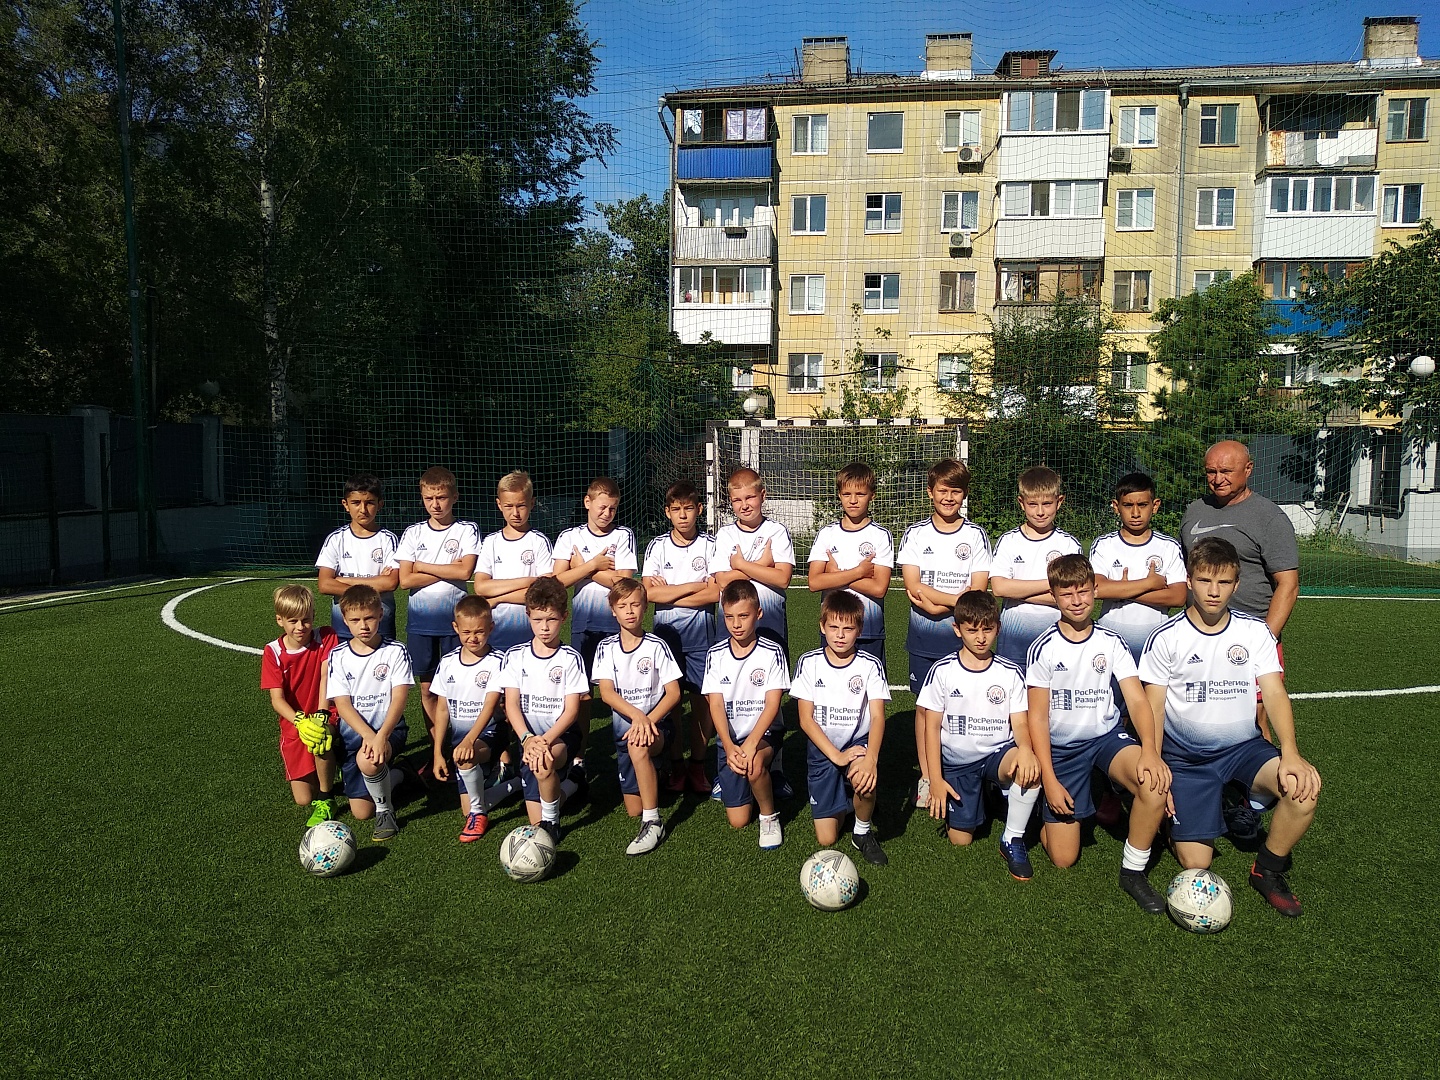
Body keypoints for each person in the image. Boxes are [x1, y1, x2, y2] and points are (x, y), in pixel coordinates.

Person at [1139, 537, 1321, 917]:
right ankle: (1176, 821)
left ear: (1236, 585)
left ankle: (1267, 870)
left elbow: (1274, 692)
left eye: (1223, 582)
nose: (1213, 591)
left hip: (1243, 749)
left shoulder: (1255, 633)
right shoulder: (1166, 637)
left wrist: (1290, 752)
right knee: (1197, 862)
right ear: (1190, 580)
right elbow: (1153, 707)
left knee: (1302, 789)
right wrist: (1155, 760)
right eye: (1205, 580)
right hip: (1187, 759)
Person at [1025, 555, 1171, 913]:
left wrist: (1150, 751)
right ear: (1054, 596)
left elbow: (1137, 701)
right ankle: (1043, 809)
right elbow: (1037, 718)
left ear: (1095, 591)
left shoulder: (1112, 642)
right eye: (1066, 594)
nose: (1077, 601)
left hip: (1106, 739)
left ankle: (1133, 872)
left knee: (1153, 782)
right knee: (1063, 859)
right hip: (1062, 748)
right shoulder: (1043, 647)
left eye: (1083, 592)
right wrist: (1049, 780)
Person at [1180, 440, 1300, 839]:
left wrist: (1263, 639)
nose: (1217, 479)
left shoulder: (1268, 517)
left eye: (1226, 471)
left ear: (1248, 470)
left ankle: (1250, 803)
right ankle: (1202, 786)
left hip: (1248, 640)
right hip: (1199, 636)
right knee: (1200, 710)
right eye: (1211, 471)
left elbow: (1287, 584)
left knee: (1255, 716)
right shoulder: (1195, 511)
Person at [918, 590, 1041, 881]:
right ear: (957, 629)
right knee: (960, 840)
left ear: (998, 628)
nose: (981, 638)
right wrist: (934, 779)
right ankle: (991, 795)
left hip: (998, 754)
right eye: (972, 630)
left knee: (1029, 768)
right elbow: (930, 728)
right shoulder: (943, 671)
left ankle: (1012, 838)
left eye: (987, 629)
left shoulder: (1010, 672)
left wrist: (1026, 750)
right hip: (958, 762)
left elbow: (1020, 722)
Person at [898, 457, 991, 812]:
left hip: (964, 639)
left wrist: (939, 603)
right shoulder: (916, 534)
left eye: (956, 491)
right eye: (943, 490)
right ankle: (926, 777)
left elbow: (978, 592)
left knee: (965, 704)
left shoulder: (976, 535)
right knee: (925, 709)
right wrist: (956, 601)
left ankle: (963, 771)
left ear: (964, 495)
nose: (949, 498)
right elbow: (913, 586)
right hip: (925, 638)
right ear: (930, 492)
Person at [712, 466, 796, 799]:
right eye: (737, 500)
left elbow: (783, 578)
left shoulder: (777, 531)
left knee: (771, 695)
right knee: (730, 693)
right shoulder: (725, 535)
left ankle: (776, 770)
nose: (744, 505)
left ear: (763, 496)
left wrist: (742, 565)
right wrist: (763, 565)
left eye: (750, 497)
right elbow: (721, 580)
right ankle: (725, 767)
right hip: (733, 627)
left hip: (770, 623)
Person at [792, 590, 891, 865]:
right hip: (824, 749)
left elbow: (878, 717)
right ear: (822, 626)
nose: (840, 635)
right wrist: (836, 756)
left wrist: (871, 759)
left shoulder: (870, 665)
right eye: (834, 627)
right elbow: (805, 720)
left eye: (848, 629)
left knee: (865, 778)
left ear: (859, 629)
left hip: (857, 745)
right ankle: (851, 800)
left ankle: (862, 831)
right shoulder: (809, 662)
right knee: (826, 838)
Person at [592, 579, 683, 856]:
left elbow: (674, 694)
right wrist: (637, 717)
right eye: (622, 606)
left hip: (657, 728)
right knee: (633, 808)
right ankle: (656, 772)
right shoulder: (606, 647)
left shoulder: (657, 646)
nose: (629, 611)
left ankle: (653, 822)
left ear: (645, 607)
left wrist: (648, 721)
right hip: (628, 730)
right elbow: (606, 693)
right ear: (613, 610)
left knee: (638, 745)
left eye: (635, 604)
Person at [641, 480, 719, 796]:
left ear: (699, 509)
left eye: (688, 508)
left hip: (702, 636)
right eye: (676, 510)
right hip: (666, 637)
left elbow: (715, 593)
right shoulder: (657, 546)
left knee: (702, 700)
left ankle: (698, 765)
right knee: (670, 700)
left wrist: (670, 593)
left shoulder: (711, 545)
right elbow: (648, 593)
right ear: (667, 512)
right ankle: (675, 764)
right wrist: (695, 586)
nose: (683, 515)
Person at [498, 578, 590, 845]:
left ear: (564, 617)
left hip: (560, 738)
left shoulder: (570, 658)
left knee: (543, 762)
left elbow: (572, 711)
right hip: (528, 739)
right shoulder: (515, 656)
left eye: (551, 619)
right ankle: (573, 783)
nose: (545, 627)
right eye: (538, 620)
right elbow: (511, 704)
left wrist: (544, 741)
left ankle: (552, 824)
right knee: (535, 815)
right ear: (528, 615)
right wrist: (527, 739)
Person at [320, 585, 413, 841]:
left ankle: (386, 812)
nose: (363, 626)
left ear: (381, 614)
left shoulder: (395, 651)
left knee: (369, 759)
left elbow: (399, 699)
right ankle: (401, 774)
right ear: (344, 620)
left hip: (389, 730)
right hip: (355, 736)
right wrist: (369, 736)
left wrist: (381, 736)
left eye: (369, 618)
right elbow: (342, 704)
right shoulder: (337, 655)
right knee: (361, 812)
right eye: (355, 620)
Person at [392, 466, 480, 739]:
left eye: (441, 497)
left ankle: (463, 741)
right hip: (421, 623)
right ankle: (437, 746)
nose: (435, 504)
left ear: (454, 497)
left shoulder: (466, 530)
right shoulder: (413, 533)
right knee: (427, 688)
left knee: (460, 686)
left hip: (457, 623)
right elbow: (405, 580)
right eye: (429, 498)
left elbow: (465, 572)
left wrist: (422, 566)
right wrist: (447, 569)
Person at [702, 580, 790, 849]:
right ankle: (746, 781)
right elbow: (715, 705)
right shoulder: (715, 654)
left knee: (754, 764)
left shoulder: (772, 652)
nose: (736, 624)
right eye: (729, 617)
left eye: (743, 615)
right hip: (731, 741)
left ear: (758, 614)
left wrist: (751, 744)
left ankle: (768, 816)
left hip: (763, 735)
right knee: (738, 820)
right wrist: (729, 746)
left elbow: (773, 704)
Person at [259, 584, 342, 827]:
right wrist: (300, 721)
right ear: (280, 620)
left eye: (306, 620)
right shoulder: (273, 652)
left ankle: (327, 798)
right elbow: (277, 700)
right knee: (303, 799)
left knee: (319, 737)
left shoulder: (325, 636)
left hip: (326, 713)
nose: (300, 627)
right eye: (293, 621)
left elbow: (326, 676)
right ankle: (333, 764)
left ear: (313, 616)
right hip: (295, 723)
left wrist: (322, 713)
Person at [430, 596, 508, 842]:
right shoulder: (448, 662)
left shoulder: (498, 661)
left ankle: (478, 815)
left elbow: (490, 706)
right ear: (456, 628)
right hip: (460, 740)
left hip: (490, 734)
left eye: (479, 632)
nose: (473, 638)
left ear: (491, 628)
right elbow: (442, 709)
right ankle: (513, 783)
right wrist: (437, 753)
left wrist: (469, 740)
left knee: (465, 759)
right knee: (466, 801)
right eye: (466, 632)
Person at [1090, 472, 1189, 662]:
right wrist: (1149, 583)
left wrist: (1120, 590)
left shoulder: (1169, 546)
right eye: (1128, 505)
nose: (1135, 513)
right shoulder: (1103, 544)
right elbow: (1097, 589)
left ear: (1155, 506)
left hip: (1155, 643)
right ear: (1116, 506)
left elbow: (1178, 597)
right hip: (1111, 641)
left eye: (1142, 505)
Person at [990, 466, 1082, 668]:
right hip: (1013, 639)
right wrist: (1052, 584)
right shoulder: (1009, 541)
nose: (1040, 512)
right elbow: (999, 588)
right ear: (1021, 503)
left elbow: (1071, 596)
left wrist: (1016, 591)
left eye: (1047, 504)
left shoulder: (1068, 545)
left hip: (1056, 638)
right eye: (1033, 504)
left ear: (1059, 502)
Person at [807, 460, 894, 668]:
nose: (853, 500)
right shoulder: (827, 534)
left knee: (869, 683)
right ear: (839, 495)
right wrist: (859, 572)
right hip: (834, 628)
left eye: (860, 494)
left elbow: (879, 588)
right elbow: (814, 582)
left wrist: (836, 575)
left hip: (869, 628)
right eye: (847, 494)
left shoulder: (881, 536)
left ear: (872, 495)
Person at [472, 470, 554, 652]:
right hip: (495, 632)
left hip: (531, 633)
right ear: (499, 504)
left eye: (521, 506)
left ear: (532, 503)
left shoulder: (539, 541)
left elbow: (544, 592)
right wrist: (527, 581)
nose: (515, 513)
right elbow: (481, 587)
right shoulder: (491, 542)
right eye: (509, 506)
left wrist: (498, 598)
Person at [315, 474, 399, 641]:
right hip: (344, 622)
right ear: (345, 505)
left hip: (380, 622)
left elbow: (390, 582)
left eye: (369, 503)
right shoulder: (336, 539)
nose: (363, 509)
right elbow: (324, 584)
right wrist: (376, 582)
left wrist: (344, 580)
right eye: (356, 503)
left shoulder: (388, 539)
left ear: (380, 504)